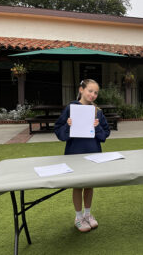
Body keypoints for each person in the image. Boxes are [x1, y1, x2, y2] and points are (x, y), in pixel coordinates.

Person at [54, 79, 110, 232]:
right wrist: (68, 124)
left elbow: (105, 134)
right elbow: (59, 131)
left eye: (96, 92)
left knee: (89, 185)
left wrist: (97, 127)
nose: (93, 94)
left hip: (93, 153)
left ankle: (87, 214)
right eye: (90, 91)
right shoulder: (71, 109)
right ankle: (78, 217)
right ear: (81, 89)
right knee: (78, 186)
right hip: (74, 153)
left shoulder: (97, 111)